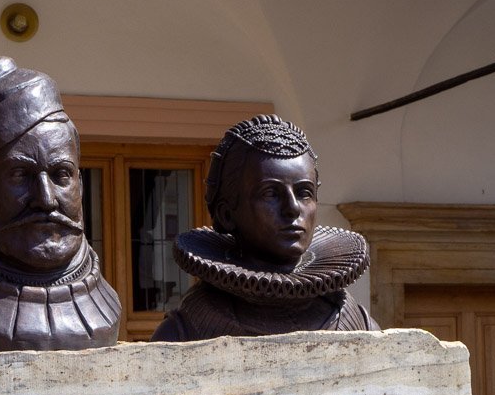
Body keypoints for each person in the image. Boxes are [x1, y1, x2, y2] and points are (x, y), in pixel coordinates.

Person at [0, 57, 120, 352]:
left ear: (79, 181)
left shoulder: (109, 302)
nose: (46, 199)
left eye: (61, 174)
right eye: (20, 174)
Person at [151, 114, 377, 341]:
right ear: (226, 214)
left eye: (304, 193)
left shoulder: (355, 321)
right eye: (270, 193)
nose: (292, 208)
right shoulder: (187, 329)